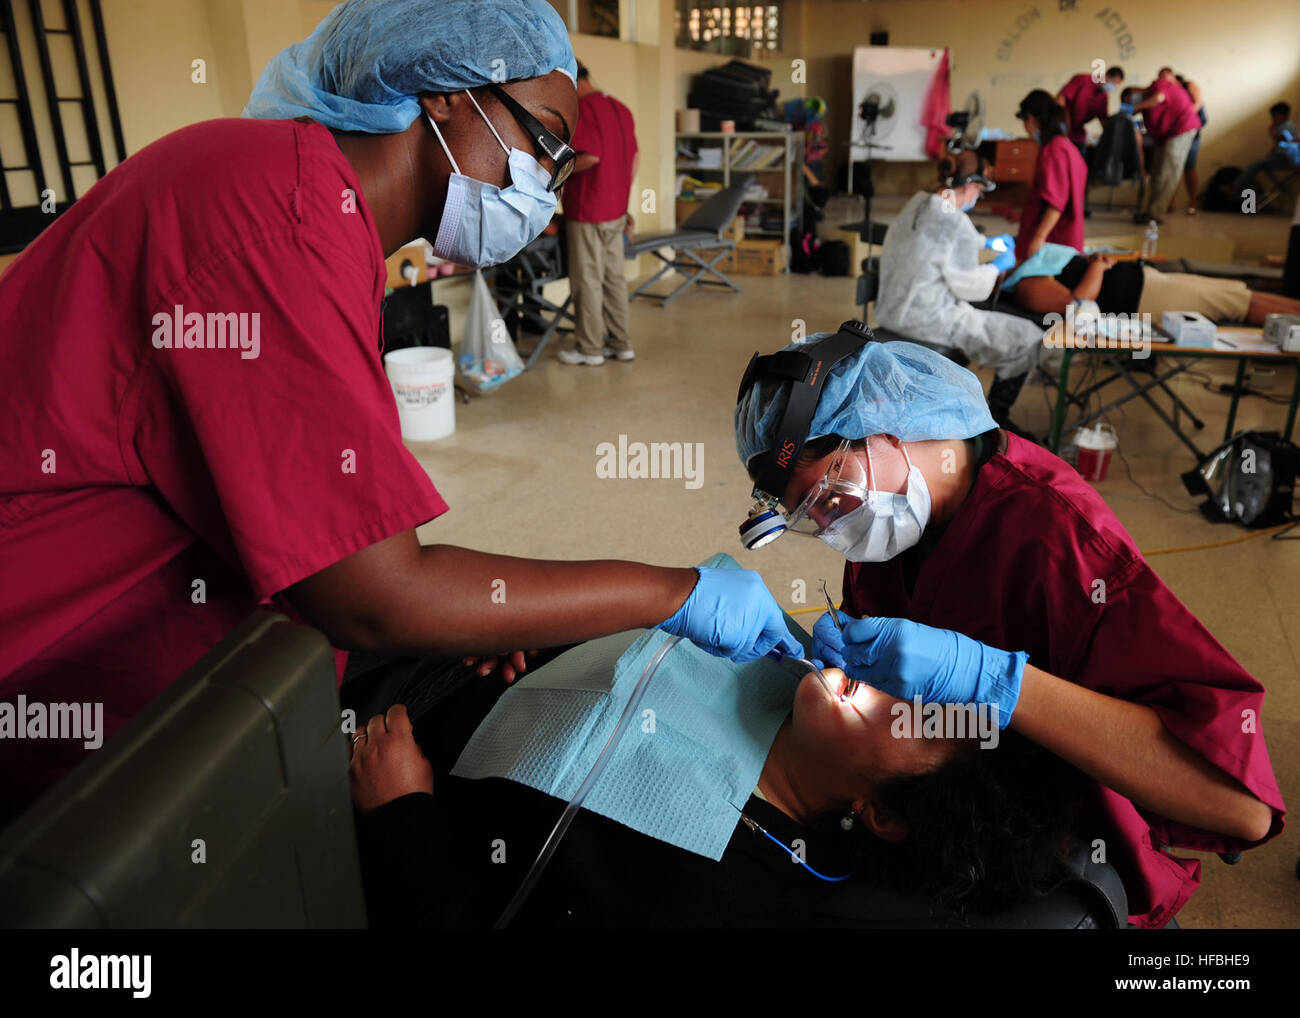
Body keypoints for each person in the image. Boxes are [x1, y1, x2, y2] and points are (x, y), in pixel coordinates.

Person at [0, 0, 798, 824]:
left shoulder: (312, 210)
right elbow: (375, 592)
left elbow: (319, 518)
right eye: (545, 143)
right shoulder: (279, 222)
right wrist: (679, 595)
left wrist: (482, 611)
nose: (547, 197)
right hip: (49, 683)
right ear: (445, 93)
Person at [734, 339, 1285, 929]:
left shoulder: (1060, 545)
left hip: (1060, 864)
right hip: (941, 839)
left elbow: (1242, 811)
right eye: (808, 516)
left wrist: (996, 682)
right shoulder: (896, 515)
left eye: (828, 498)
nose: (829, 524)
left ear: (887, 427)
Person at [349, 657, 1084, 927]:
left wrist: (400, 815)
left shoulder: (721, 896)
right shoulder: (769, 659)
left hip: (370, 780)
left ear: (885, 813)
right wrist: (540, 642)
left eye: (918, 717)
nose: (893, 683)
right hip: (448, 670)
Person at [874, 150, 1041, 432]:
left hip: (892, 311)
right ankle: (996, 422)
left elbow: (937, 241)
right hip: (928, 321)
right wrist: (997, 266)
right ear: (970, 185)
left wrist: (985, 242)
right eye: (978, 190)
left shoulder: (918, 203)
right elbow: (971, 289)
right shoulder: (957, 222)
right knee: (1027, 338)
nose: (977, 197)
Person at [1002, 241, 1300, 325]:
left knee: (1240, 292)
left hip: (1150, 282)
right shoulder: (1027, 288)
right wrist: (1096, 266)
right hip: (1146, 301)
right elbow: (1077, 304)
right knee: (1240, 305)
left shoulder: (1031, 266)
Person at [557, 62, 639, 366]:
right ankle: (622, 343)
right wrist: (623, 196)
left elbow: (589, 156)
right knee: (614, 278)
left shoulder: (581, 110)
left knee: (587, 280)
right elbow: (635, 158)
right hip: (616, 209)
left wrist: (555, 171)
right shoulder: (620, 108)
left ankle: (590, 349)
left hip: (588, 210)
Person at [1014, 90, 1088, 257]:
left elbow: (1056, 202)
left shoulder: (1054, 150)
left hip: (1054, 242)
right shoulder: (1066, 147)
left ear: (1031, 119)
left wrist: (1039, 237)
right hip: (1064, 237)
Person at [1129, 68, 1201, 224]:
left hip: (1182, 128)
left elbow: (1160, 97)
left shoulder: (1158, 85)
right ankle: (1150, 211)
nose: (1129, 104)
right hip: (1166, 135)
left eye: (1129, 100)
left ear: (1134, 93)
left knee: (1169, 171)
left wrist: (1135, 107)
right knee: (1157, 173)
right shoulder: (1147, 105)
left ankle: (1156, 215)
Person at [1224, 102, 1300, 203]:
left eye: (1274, 117)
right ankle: (1239, 188)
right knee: (1256, 165)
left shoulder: (1286, 128)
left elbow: (1290, 145)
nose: (1272, 120)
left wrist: (1296, 163)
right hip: (1283, 157)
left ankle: (1237, 187)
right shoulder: (1285, 126)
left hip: (1286, 159)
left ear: (1283, 116)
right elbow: (1283, 143)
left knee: (1255, 165)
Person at [1055, 66, 1123, 154]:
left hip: (1077, 133)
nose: (1113, 87)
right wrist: (1063, 126)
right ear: (1106, 76)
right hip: (1062, 128)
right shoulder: (1083, 80)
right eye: (1113, 83)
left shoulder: (1103, 97)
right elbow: (1061, 100)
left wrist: (1115, 135)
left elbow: (1103, 121)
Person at [1169, 72, 1206, 215]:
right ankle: (1169, 201)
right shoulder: (1167, 92)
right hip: (1173, 134)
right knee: (1172, 168)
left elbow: (1198, 109)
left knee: (1189, 167)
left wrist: (1184, 122)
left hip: (1190, 133)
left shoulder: (1189, 87)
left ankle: (1192, 202)